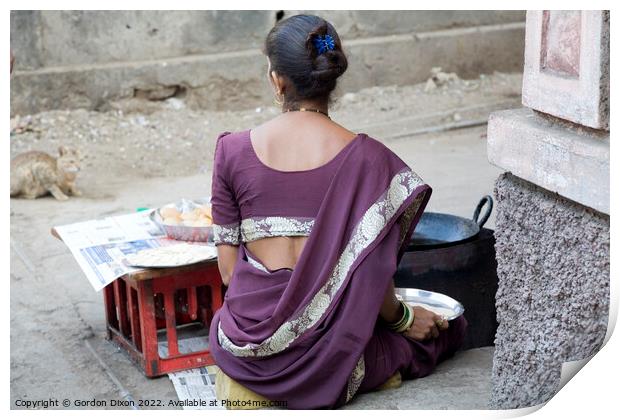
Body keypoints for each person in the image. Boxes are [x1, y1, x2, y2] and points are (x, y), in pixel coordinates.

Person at [208, 14, 467, 409]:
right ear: (330, 77)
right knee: (450, 329)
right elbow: (372, 277)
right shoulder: (371, 161)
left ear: (277, 80)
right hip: (329, 356)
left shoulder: (231, 151)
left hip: (245, 350)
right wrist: (402, 319)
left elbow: (229, 275)